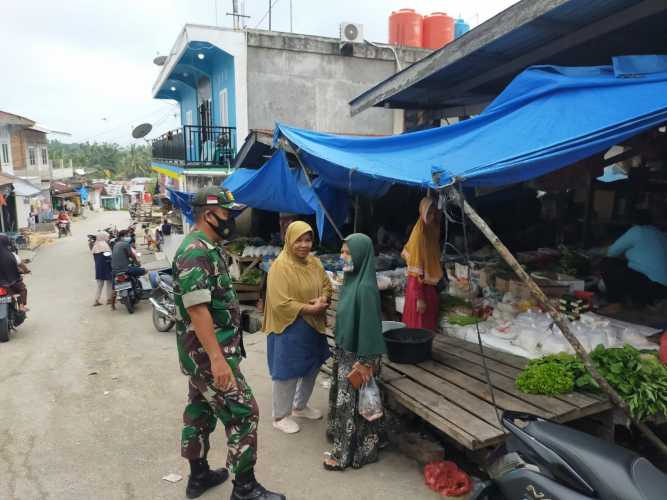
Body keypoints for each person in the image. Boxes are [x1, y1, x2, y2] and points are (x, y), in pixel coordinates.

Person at [173, 186, 285, 500]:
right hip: (210, 355)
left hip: (202, 355)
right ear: (209, 214)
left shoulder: (210, 247)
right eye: (227, 213)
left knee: (200, 410)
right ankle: (245, 489)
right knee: (244, 413)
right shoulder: (195, 250)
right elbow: (197, 308)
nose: (232, 219)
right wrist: (218, 359)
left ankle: (198, 476)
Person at [263, 221, 332, 434]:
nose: (304, 245)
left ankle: (299, 406)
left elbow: (326, 285)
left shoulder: (314, 263)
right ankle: (280, 416)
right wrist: (308, 308)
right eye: (299, 240)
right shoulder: (280, 266)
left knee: (312, 366)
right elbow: (279, 302)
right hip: (288, 326)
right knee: (287, 371)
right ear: (289, 240)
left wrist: (323, 298)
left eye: (308, 239)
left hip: (313, 324)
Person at [325, 233, 386, 471]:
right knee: (353, 404)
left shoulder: (366, 288)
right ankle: (362, 449)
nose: (342, 256)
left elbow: (370, 328)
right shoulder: (352, 281)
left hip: (359, 357)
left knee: (350, 406)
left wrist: (365, 362)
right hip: (346, 352)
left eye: (347, 252)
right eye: (342, 251)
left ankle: (343, 457)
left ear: (361, 255)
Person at [601, 211, 667, 306]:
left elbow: (610, 252)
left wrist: (594, 252)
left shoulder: (637, 231)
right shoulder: (662, 234)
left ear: (633, 222)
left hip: (651, 286)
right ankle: (639, 299)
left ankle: (614, 302)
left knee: (607, 263)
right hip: (664, 290)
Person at [401, 197, 443, 330]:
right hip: (418, 288)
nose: (432, 216)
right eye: (429, 213)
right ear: (422, 213)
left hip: (429, 287)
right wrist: (419, 298)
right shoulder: (419, 235)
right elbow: (414, 271)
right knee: (418, 327)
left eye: (434, 213)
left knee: (428, 327)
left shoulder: (431, 231)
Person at [0, 234, 29, 311]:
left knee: (10, 294)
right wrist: (26, 271)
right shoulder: (12, 255)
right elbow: (21, 265)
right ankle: (21, 305)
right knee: (22, 289)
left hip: (2, 286)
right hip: (13, 282)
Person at [91, 232, 113, 307]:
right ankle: (109, 299)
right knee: (109, 283)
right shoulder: (105, 245)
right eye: (107, 236)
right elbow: (108, 257)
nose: (108, 238)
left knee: (99, 285)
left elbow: (95, 258)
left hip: (98, 268)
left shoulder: (95, 246)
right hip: (106, 267)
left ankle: (96, 300)